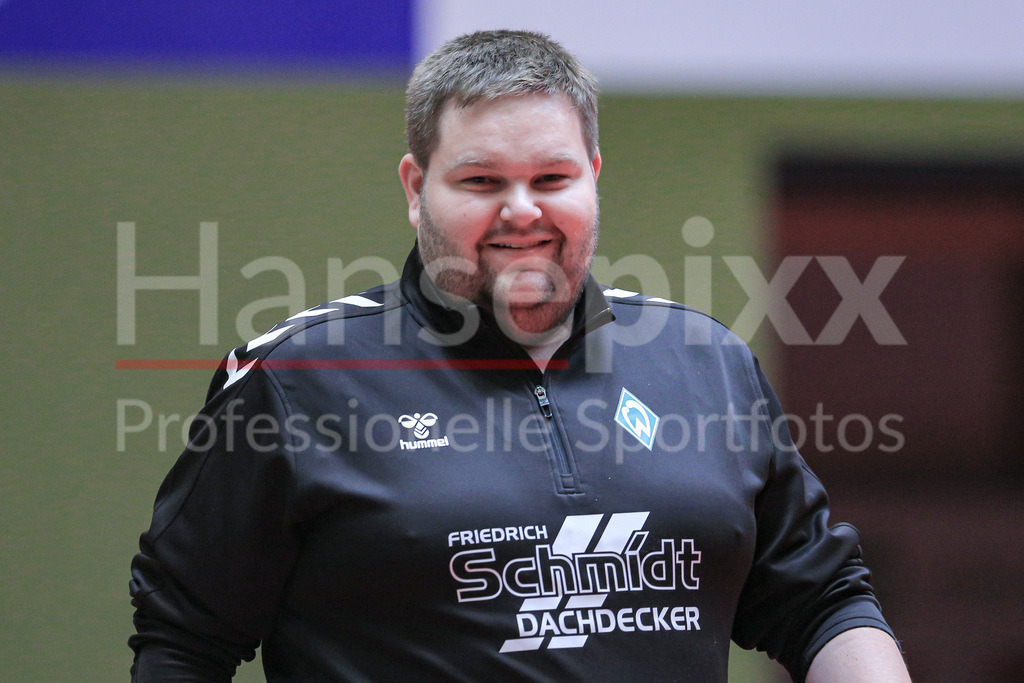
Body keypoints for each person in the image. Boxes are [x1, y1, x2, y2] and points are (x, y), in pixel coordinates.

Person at [129, 30, 910, 682]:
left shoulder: (708, 362)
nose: (522, 209)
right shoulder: (295, 379)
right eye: (481, 180)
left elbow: (822, 600)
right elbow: (184, 645)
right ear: (415, 186)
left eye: (551, 177)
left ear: (593, 178)